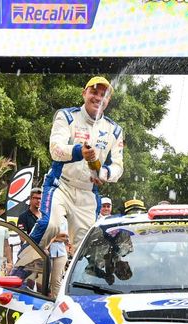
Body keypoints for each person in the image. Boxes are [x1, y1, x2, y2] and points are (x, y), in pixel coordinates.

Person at [30, 76, 124, 254]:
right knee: (49, 225)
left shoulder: (115, 130)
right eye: (94, 92)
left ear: (108, 100)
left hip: (88, 193)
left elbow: (118, 167)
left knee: (86, 248)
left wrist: (103, 173)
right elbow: (55, 150)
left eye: (103, 95)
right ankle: (20, 270)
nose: (98, 98)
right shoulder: (66, 116)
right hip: (61, 184)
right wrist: (79, 151)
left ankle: (84, 279)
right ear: (84, 93)